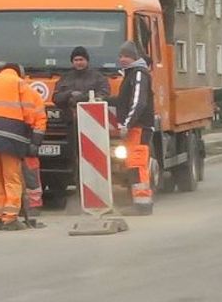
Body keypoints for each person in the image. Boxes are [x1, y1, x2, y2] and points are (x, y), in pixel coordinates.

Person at [0, 62, 46, 230]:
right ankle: (11, 218)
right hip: (11, 136)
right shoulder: (19, 84)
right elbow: (30, 113)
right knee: (12, 179)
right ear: (19, 72)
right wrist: (32, 141)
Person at [112, 40, 154, 215]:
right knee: (135, 164)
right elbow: (123, 101)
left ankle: (142, 203)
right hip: (135, 127)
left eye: (127, 56)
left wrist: (127, 124)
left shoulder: (138, 74)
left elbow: (138, 102)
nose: (123, 59)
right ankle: (140, 201)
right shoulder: (131, 74)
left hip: (138, 127)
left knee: (137, 165)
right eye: (121, 56)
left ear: (134, 57)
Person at [53, 46, 110, 111]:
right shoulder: (65, 78)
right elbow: (55, 98)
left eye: (81, 59)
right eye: (76, 60)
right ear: (72, 61)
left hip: (91, 114)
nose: (78, 62)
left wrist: (83, 98)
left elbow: (104, 94)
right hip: (68, 117)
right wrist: (70, 94)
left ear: (87, 60)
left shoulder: (98, 77)